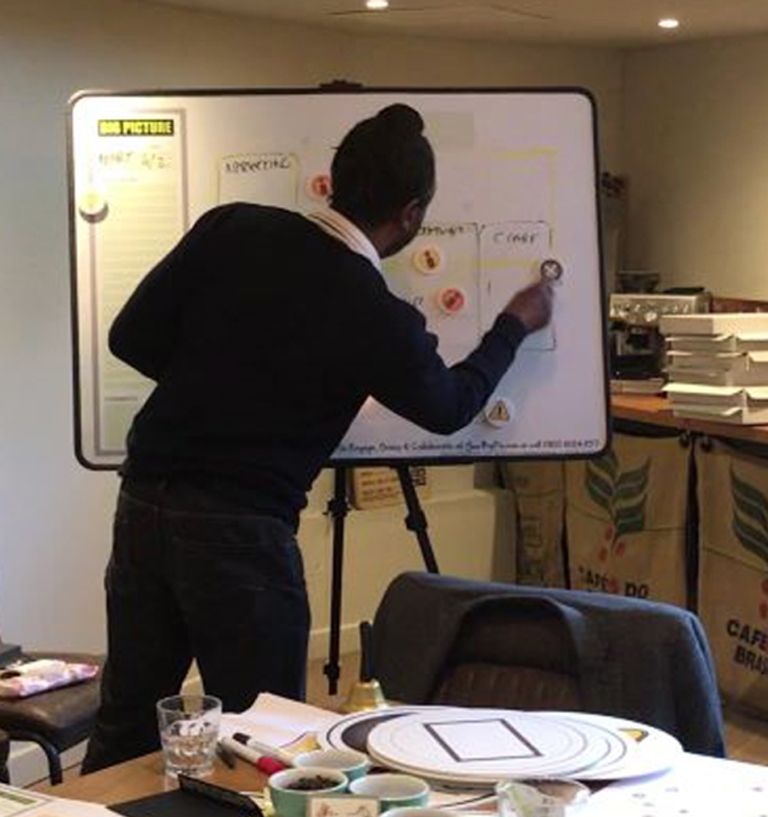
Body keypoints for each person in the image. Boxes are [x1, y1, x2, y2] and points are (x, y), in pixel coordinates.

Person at [81, 103, 553, 773]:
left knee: (127, 718)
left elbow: (129, 337)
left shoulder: (231, 226)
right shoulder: (374, 314)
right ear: (411, 214)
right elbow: (450, 407)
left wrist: (217, 382)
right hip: (241, 529)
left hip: (144, 502)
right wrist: (513, 325)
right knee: (261, 735)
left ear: (335, 181)